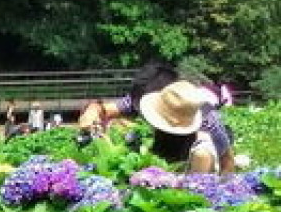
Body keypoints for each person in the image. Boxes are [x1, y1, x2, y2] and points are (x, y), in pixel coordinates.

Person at [78, 63, 234, 174]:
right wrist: (92, 111)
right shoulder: (143, 100)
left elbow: (227, 162)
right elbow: (105, 109)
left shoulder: (205, 119)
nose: (142, 112)